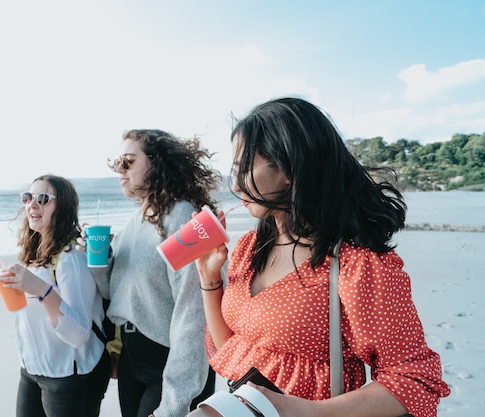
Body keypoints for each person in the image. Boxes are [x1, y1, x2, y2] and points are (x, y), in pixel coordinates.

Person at [192, 97, 451, 417]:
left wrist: (308, 411)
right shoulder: (250, 248)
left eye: (245, 167)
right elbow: (234, 349)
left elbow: (413, 378)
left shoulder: (357, 266)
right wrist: (208, 277)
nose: (234, 183)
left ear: (288, 165)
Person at [89, 129, 221, 417]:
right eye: (117, 163)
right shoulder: (133, 222)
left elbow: (194, 314)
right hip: (130, 356)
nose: (120, 170)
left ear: (157, 162)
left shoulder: (185, 218)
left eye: (128, 161)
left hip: (169, 360)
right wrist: (99, 261)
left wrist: (175, 403)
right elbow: (114, 293)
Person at [0, 174, 110, 417]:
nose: (31, 205)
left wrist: (41, 290)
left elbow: (78, 333)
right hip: (32, 367)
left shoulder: (71, 258)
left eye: (43, 199)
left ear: (63, 207)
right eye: (28, 197)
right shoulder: (34, 251)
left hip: (67, 374)